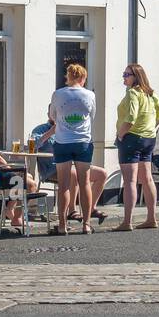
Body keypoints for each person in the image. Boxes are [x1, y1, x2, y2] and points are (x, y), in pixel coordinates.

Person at [49, 63, 101, 235]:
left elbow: (52, 116)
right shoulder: (90, 95)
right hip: (83, 142)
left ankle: (63, 225)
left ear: (69, 77)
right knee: (84, 182)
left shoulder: (58, 94)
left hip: (63, 141)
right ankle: (86, 224)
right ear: (82, 78)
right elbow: (92, 116)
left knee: (63, 185)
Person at [114, 62, 159, 231]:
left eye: (127, 74)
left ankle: (127, 222)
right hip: (149, 139)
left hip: (132, 138)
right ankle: (151, 218)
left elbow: (131, 118)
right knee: (147, 178)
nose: (124, 77)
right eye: (124, 74)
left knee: (130, 181)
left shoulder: (133, 93)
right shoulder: (150, 93)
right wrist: (151, 129)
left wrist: (120, 134)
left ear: (136, 77)